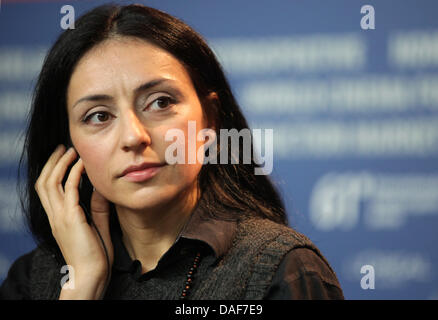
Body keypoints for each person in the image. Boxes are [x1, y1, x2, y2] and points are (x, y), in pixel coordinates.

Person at [0, 4, 344, 300]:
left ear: (209, 120)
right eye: (99, 116)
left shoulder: (281, 270)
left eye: (160, 103)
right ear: (70, 147)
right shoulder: (34, 280)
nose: (134, 137)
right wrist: (81, 286)